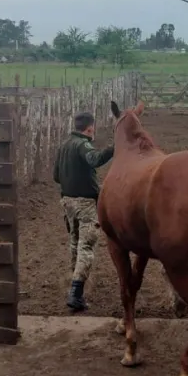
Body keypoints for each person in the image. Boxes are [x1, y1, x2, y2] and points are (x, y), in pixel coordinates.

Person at [52, 111, 115, 311]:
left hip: (66, 201)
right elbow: (95, 159)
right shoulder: (82, 144)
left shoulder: (63, 145)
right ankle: (76, 293)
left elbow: (55, 176)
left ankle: (73, 284)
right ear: (89, 129)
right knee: (86, 247)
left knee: (74, 242)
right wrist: (114, 148)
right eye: (93, 129)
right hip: (86, 204)